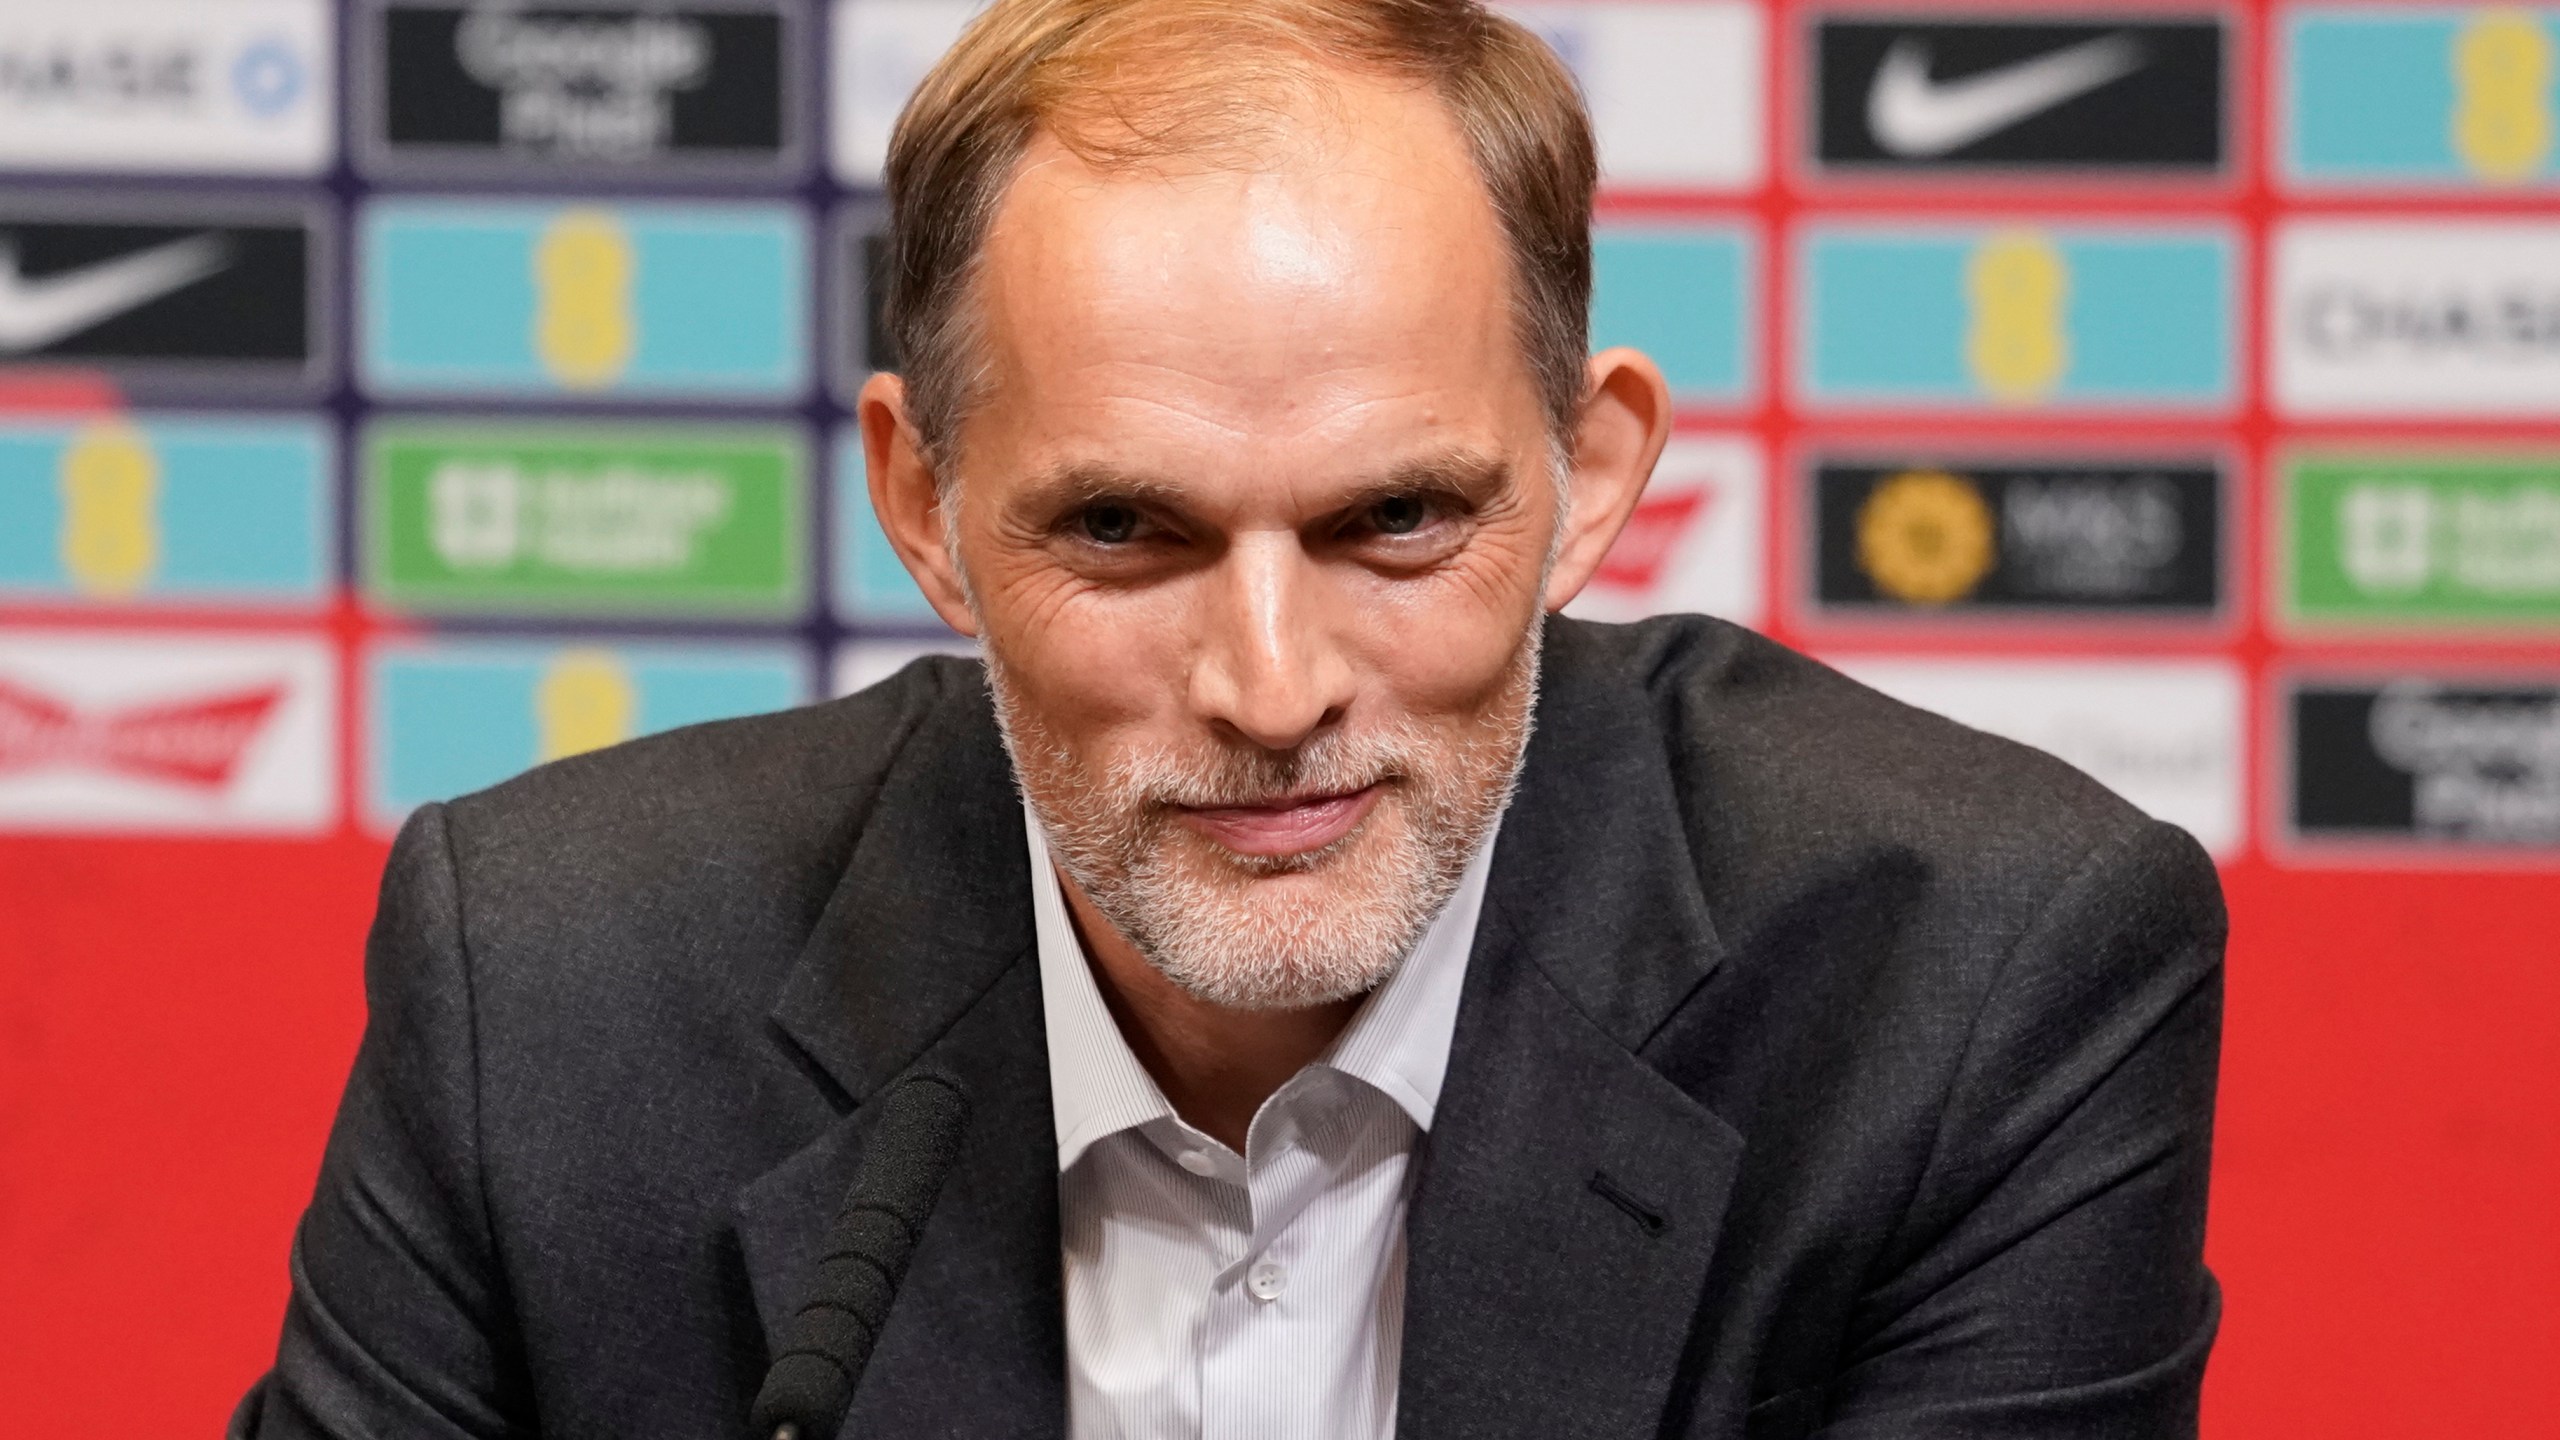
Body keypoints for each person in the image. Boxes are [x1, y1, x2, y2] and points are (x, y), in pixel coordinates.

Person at [235, 2, 2223, 1436]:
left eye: (1395, 520)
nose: (1271, 688)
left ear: (1591, 477)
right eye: (1120, 529)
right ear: (923, 505)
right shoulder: (558, 984)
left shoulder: (1968, 982)